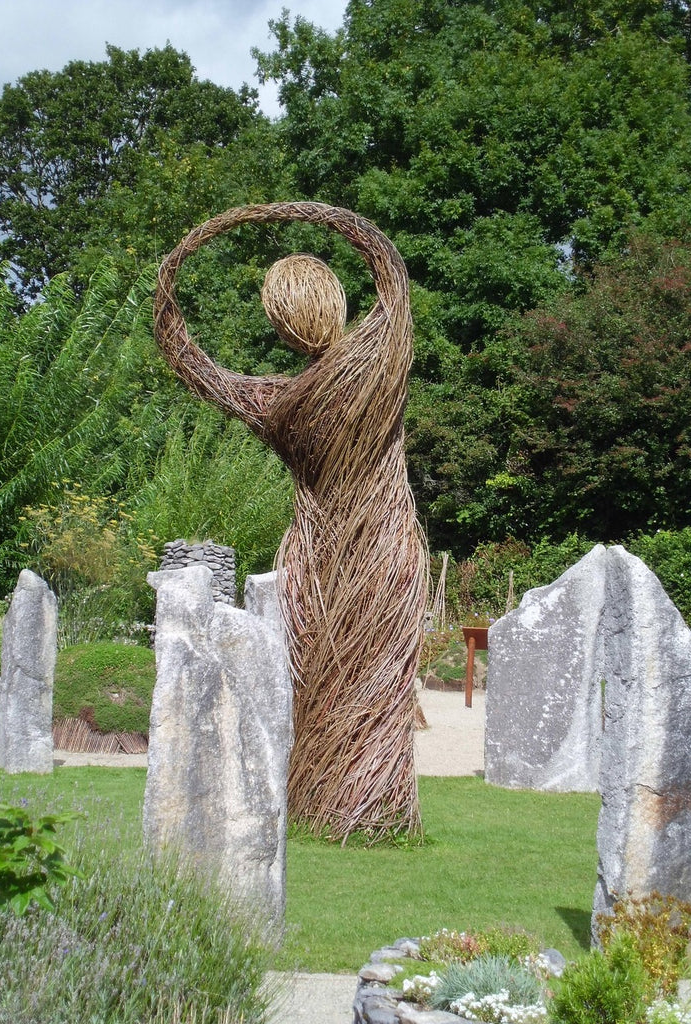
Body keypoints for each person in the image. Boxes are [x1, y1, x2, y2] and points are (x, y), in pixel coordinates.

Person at [154, 202, 428, 839]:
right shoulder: (379, 359)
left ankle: (324, 802)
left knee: (321, 674)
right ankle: (371, 807)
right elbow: (387, 265)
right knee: (372, 682)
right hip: (385, 547)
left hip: (314, 555)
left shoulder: (280, 403)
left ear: (282, 327)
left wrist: (181, 264)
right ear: (334, 305)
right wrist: (334, 222)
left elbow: (187, 357)